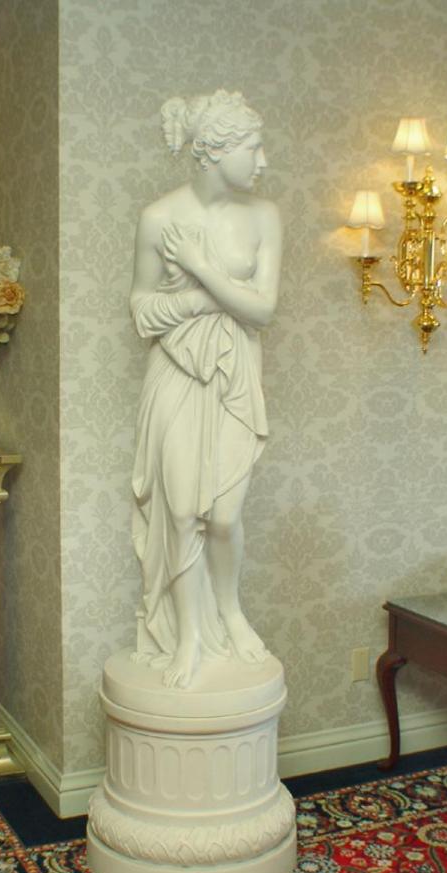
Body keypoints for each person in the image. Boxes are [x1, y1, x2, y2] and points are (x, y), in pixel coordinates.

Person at [128, 90, 282, 690]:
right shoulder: (158, 218)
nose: (263, 161)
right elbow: (142, 312)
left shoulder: (264, 216)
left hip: (235, 375)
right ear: (216, 151)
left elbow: (262, 310)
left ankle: (231, 613)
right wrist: (204, 298)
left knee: (224, 515)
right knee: (181, 512)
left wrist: (199, 266)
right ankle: (189, 636)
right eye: (253, 148)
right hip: (175, 376)